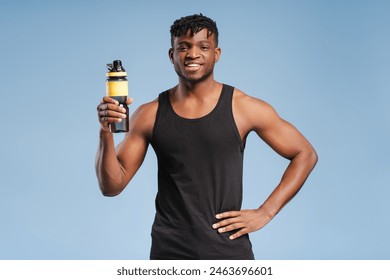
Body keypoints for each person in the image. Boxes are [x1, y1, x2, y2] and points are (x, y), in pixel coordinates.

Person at [96, 14, 318, 260]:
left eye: (203, 47)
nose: (193, 54)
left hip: (229, 254)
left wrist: (266, 212)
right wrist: (105, 131)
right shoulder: (149, 114)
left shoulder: (244, 108)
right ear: (172, 55)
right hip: (169, 254)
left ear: (216, 54)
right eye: (183, 47)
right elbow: (111, 186)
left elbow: (305, 154)